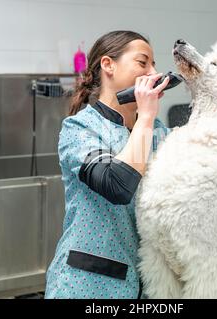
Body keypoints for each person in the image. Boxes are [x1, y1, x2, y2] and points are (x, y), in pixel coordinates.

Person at [45, 30, 171, 299]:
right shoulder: (80, 128)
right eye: (143, 62)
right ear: (108, 65)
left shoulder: (160, 132)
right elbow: (117, 185)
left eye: (154, 64)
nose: (154, 72)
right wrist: (146, 116)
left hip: (145, 288)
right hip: (87, 285)